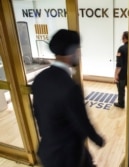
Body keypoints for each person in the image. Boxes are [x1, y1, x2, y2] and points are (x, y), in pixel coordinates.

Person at [31, 29, 104, 167]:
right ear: (73, 51)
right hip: (68, 158)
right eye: (78, 49)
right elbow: (82, 122)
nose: (80, 53)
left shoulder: (40, 78)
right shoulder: (70, 88)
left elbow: (37, 112)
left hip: (48, 152)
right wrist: (98, 139)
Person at [114, 31, 128, 109]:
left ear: (124, 38)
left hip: (122, 73)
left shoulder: (121, 49)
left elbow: (119, 64)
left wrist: (116, 75)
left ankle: (121, 103)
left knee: (121, 89)